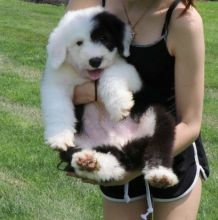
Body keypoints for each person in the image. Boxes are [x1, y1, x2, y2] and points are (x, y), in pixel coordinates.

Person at [66, 0, 209, 219]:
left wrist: (129, 168)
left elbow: (190, 124)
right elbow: (62, 86)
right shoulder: (91, 5)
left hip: (170, 155)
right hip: (115, 149)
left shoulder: (183, 22)